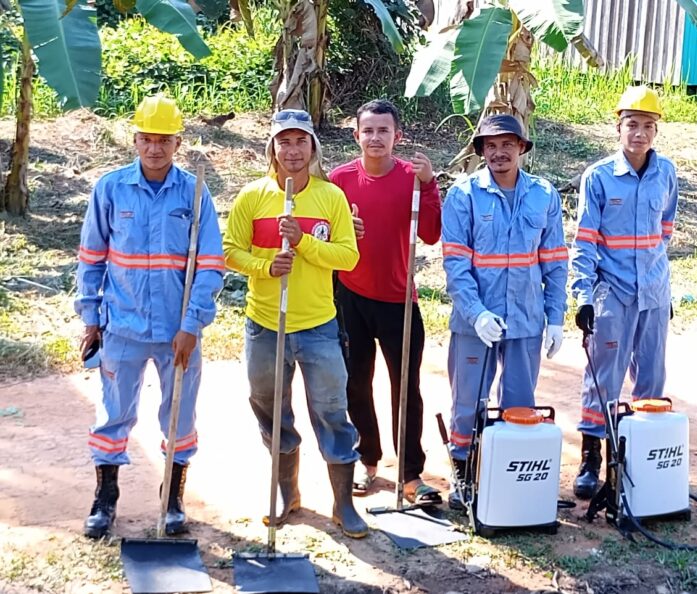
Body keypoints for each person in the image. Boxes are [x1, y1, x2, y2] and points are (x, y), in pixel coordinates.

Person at [75, 95, 225, 538]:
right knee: (112, 413)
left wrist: (192, 325)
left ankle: (173, 497)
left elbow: (210, 264)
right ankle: (105, 499)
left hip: (176, 330)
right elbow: (91, 257)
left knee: (178, 415)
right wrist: (90, 318)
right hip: (121, 324)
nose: (154, 148)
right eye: (146, 139)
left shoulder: (196, 193)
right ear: (135, 140)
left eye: (163, 140)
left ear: (177, 143)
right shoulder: (111, 188)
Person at [223, 109, 368, 538]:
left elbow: (348, 256)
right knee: (270, 410)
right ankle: (289, 493)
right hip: (266, 325)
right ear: (272, 147)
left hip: (319, 325)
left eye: (300, 141)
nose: (292, 150)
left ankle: (343, 504)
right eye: (283, 141)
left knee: (331, 411)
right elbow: (231, 251)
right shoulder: (252, 197)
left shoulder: (330, 197)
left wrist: (303, 243)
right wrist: (268, 266)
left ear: (312, 148)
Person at [441, 114, 568, 509]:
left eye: (507, 145)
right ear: (481, 151)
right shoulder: (463, 196)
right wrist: (477, 314)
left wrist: (557, 315)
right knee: (468, 402)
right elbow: (456, 265)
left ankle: (509, 477)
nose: (499, 153)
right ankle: (463, 473)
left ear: (522, 149)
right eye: (491, 146)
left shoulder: (544, 195)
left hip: (526, 319)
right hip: (474, 323)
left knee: (519, 403)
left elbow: (554, 260)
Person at [329, 100, 442, 505]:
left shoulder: (414, 178)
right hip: (350, 297)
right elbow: (319, 231)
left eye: (384, 131)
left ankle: (411, 475)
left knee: (405, 388)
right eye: (368, 130)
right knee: (355, 383)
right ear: (356, 135)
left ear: (398, 136)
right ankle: (367, 459)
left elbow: (430, 234)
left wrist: (429, 186)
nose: (375, 138)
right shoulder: (338, 180)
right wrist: (339, 229)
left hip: (399, 300)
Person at [571, 86, 678, 499]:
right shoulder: (598, 177)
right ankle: (592, 458)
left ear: (655, 131)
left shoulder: (666, 173)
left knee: (652, 374)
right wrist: (584, 295)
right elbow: (585, 241)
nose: (639, 133)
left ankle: (641, 456)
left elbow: (663, 231)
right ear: (619, 128)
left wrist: (658, 284)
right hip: (611, 291)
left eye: (647, 126)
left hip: (653, 291)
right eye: (632, 124)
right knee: (604, 375)